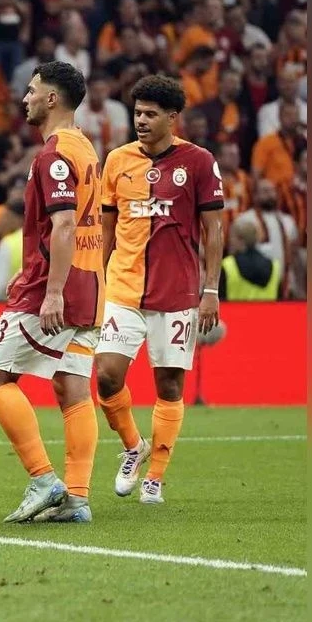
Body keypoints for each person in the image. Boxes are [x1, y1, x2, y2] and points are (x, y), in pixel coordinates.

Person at [0, 61, 102, 524]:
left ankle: (43, 479)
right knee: (73, 388)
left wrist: (51, 291)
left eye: (32, 91)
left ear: (52, 98)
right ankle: (77, 499)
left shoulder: (53, 156)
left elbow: (65, 223)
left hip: (57, 288)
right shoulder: (84, 146)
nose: (24, 98)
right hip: (90, 285)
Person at [94, 75, 225, 507]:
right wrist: (95, 281)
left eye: (151, 114)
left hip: (178, 293)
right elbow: (107, 228)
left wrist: (211, 289)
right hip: (123, 287)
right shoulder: (117, 161)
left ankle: (155, 477)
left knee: (168, 385)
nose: (141, 121)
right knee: (107, 375)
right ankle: (134, 446)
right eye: (137, 113)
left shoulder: (199, 161)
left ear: (173, 117)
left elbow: (213, 229)